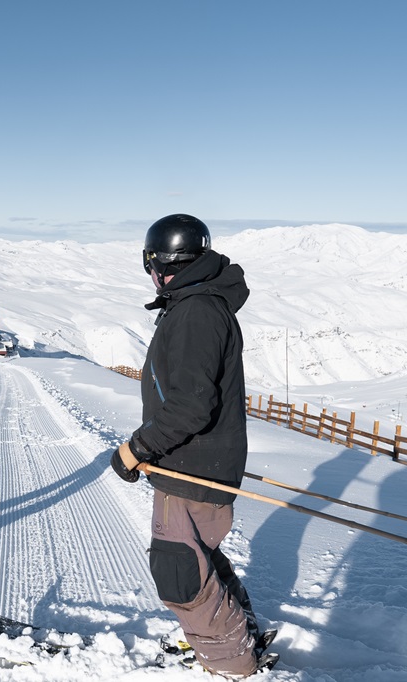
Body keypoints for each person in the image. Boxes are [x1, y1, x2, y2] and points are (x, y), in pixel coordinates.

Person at [110, 214, 268, 677]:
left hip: (191, 465)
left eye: (150, 264)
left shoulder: (196, 311)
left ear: (160, 263)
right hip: (197, 460)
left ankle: (233, 664)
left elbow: (190, 405)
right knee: (198, 558)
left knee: (180, 572)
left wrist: (137, 449)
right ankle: (238, 637)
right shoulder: (197, 303)